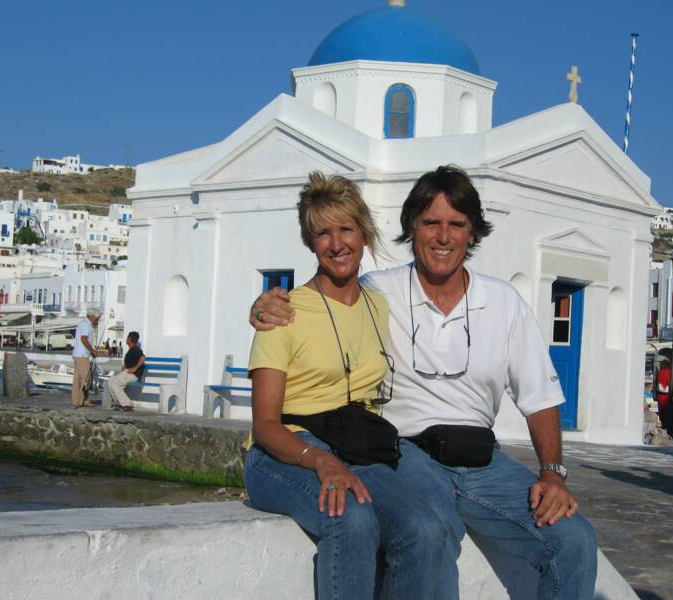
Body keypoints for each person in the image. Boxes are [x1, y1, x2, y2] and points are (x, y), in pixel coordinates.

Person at [251, 165, 597, 599]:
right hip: (407, 454)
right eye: (431, 223)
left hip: (483, 462)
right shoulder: (380, 291)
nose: (443, 237)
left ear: (472, 233)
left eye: (457, 224)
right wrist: (263, 307)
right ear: (411, 228)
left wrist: (553, 474)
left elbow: (540, 398)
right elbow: (324, 299)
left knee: (575, 540)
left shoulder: (503, 302)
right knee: (428, 532)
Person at [244, 172, 456, 599]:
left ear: (364, 233)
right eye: (323, 233)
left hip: (356, 446)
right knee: (350, 517)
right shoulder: (283, 312)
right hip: (286, 448)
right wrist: (320, 461)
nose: (337, 244)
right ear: (310, 242)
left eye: (346, 229)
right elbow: (265, 425)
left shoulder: (378, 304)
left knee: (425, 529)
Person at [107, 331, 145, 411]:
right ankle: (118, 402)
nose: (126, 339)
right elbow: (131, 361)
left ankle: (127, 404)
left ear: (130, 339)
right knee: (110, 381)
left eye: (127, 337)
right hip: (127, 373)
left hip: (133, 374)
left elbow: (142, 358)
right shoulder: (131, 350)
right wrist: (125, 366)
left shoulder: (135, 349)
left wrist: (135, 368)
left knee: (115, 384)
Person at [72, 308, 100, 408]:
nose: (97, 321)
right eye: (97, 319)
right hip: (82, 355)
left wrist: (91, 351)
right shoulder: (85, 324)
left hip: (79, 354)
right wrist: (92, 350)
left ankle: (78, 400)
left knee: (77, 379)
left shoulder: (85, 324)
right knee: (86, 378)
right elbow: (83, 339)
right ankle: (81, 400)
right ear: (91, 316)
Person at [655, 359, 672, 430]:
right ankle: (668, 430)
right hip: (669, 396)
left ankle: (664, 429)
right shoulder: (670, 372)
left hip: (661, 396)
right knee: (669, 416)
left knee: (663, 417)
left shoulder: (660, 372)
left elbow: (658, 385)